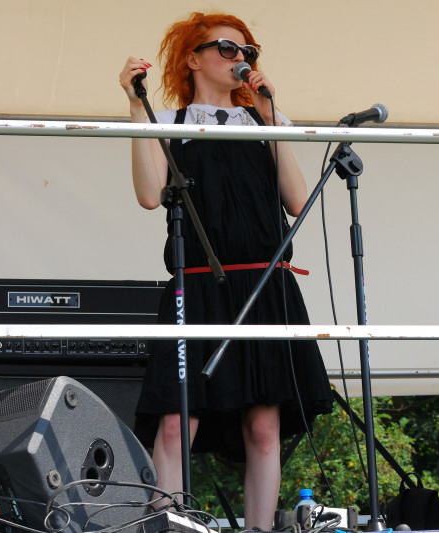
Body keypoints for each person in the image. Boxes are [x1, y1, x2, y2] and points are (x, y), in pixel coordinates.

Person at [119, 12, 333, 530]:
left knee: (263, 427)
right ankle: (169, 523)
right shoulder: (166, 121)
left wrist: (269, 114)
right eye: (227, 49)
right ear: (192, 58)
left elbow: (298, 200)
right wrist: (133, 106)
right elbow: (150, 196)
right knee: (175, 423)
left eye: (248, 52)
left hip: (263, 284)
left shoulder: (262, 124)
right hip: (197, 286)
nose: (241, 59)